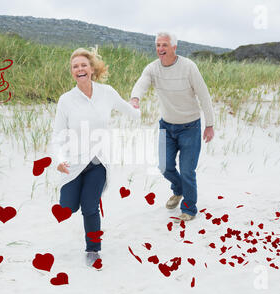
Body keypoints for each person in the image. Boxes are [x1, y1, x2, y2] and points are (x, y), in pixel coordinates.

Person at [50, 47, 140, 268]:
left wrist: (136, 107)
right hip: (74, 161)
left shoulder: (107, 92)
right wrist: (59, 159)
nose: (79, 69)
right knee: (68, 207)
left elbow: (130, 111)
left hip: (99, 161)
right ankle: (79, 200)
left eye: (83, 65)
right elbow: (57, 135)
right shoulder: (66, 100)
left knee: (90, 206)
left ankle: (93, 249)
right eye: (75, 67)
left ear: (91, 69)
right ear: (72, 72)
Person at [130, 31, 214, 222]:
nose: (160, 49)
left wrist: (209, 124)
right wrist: (135, 98)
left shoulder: (189, 67)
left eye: (165, 45)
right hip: (166, 126)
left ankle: (189, 208)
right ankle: (179, 190)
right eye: (158, 45)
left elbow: (204, 96)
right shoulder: (153, 68)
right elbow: (142, 82)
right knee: (164, 166)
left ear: (174, 47)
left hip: (190, 127)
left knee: (187, 170)